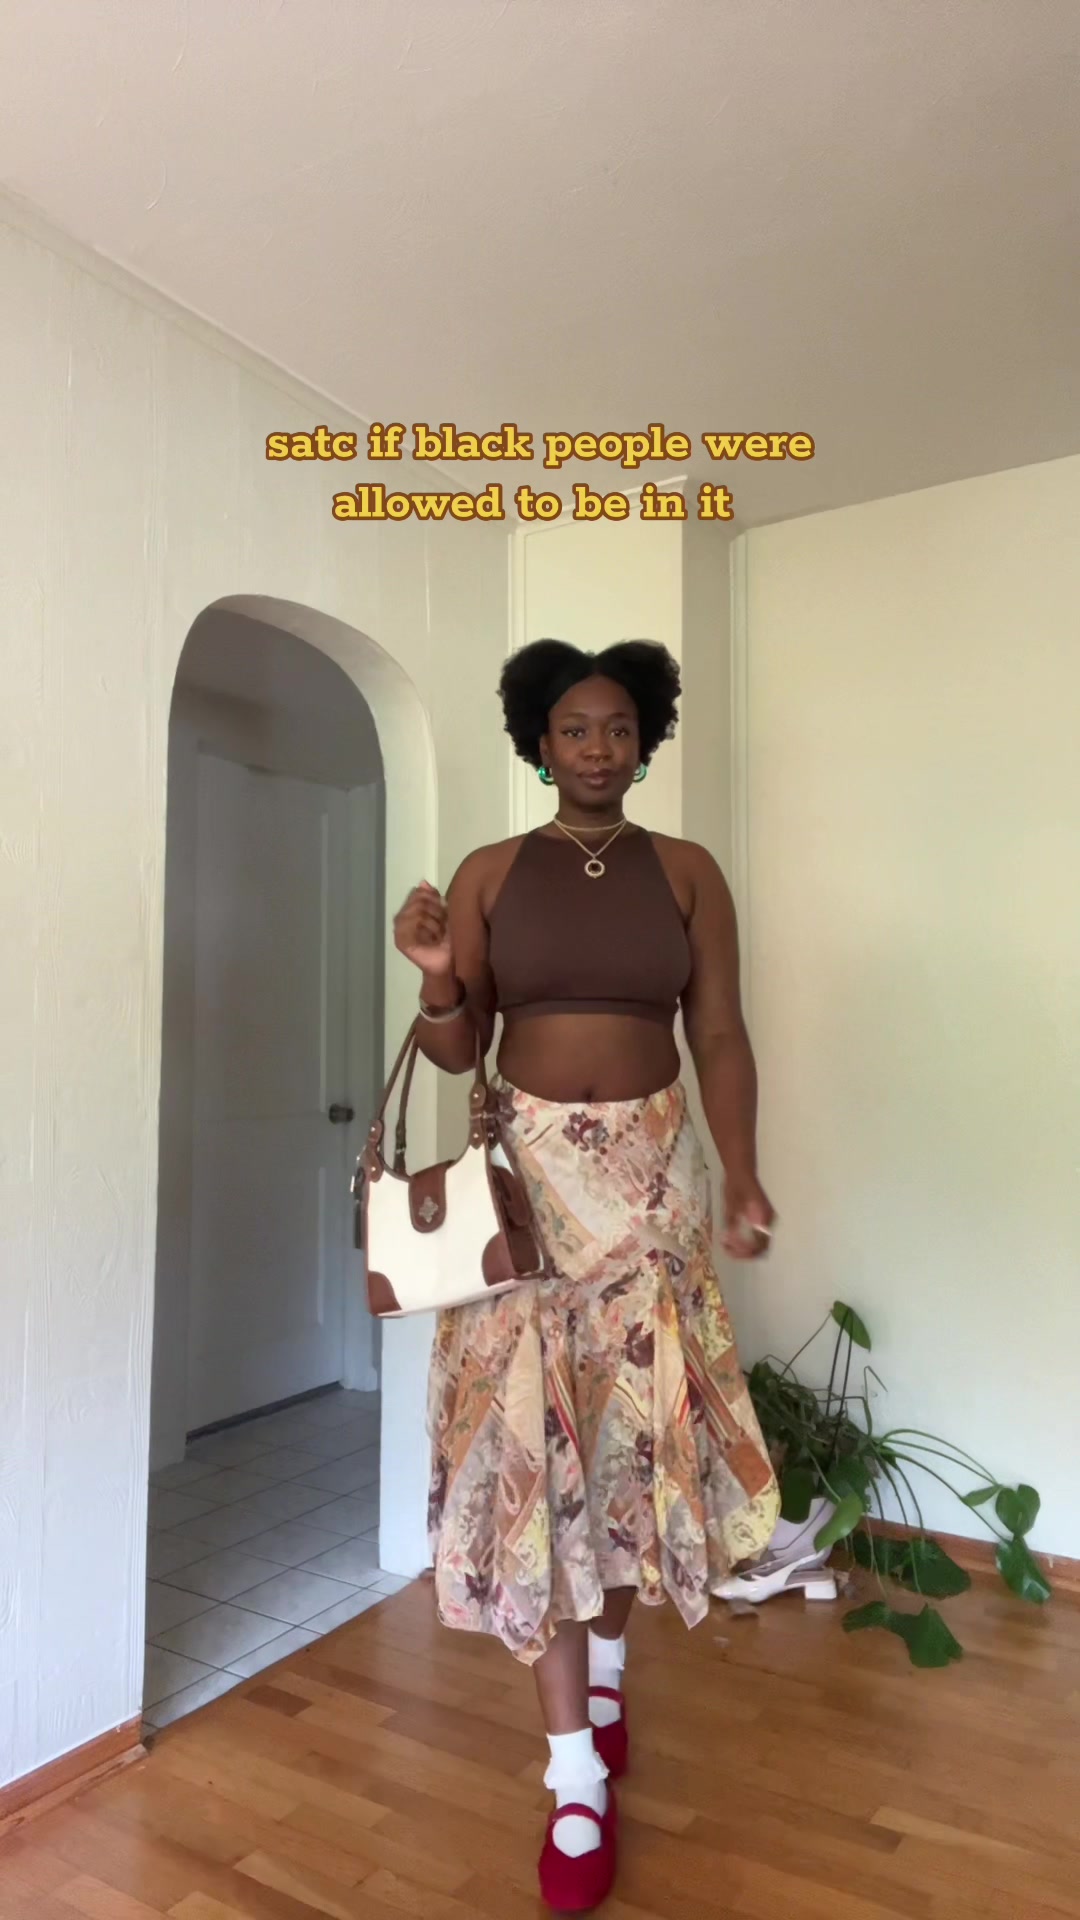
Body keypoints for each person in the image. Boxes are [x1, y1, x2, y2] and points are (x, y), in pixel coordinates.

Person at [392, 638, 780, 1911]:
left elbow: (718, 1030)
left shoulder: (689, 872)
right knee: (539, 1454)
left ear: (645, 739)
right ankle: (571, 1780)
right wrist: (439, 980)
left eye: (618, 727)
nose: (598, 747)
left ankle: (607, 1688)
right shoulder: (492, 871)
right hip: (531, 1192)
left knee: (623, 1449)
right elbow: (458, 1052)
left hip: (656, 1186)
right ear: (539, 741)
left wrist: (744, 1171)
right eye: (574, 728)